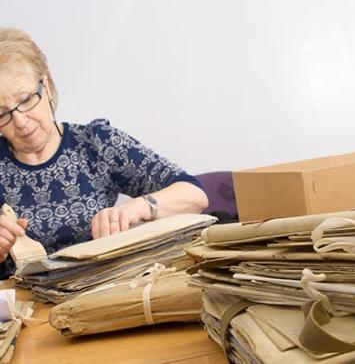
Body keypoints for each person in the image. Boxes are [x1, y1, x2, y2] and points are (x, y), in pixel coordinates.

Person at [0, 28, 208, 278]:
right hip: (25, 307)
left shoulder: (96, 144)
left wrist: (136, 208)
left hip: (103, 292)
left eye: (25, 100)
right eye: (2, 113)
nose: (21, 122)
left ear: (46, 84)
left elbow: (195, 195)